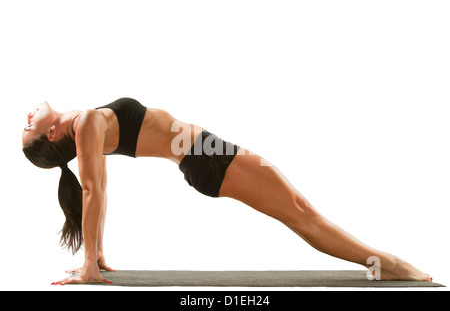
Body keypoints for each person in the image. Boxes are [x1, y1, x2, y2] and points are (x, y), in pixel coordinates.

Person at [22, 98, 431, 285]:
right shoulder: (88, 123)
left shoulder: (86, 128)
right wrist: (90, 266)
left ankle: (381, 262)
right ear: (52, 134)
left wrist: (95, 253)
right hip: (207, 158)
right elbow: (93, 190)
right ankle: (386, 263)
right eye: (29, 127)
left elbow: (100, 190)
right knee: (302, 213)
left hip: (207, 155)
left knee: (300, 210)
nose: (27, 116)